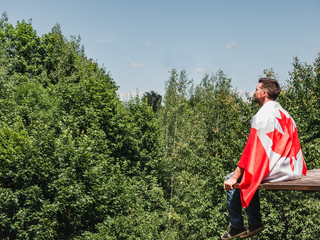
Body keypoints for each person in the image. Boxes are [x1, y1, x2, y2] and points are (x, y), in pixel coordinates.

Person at [221, 78, 307, 239]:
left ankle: (239, 226)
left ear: (264, 93)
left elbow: (251, 151)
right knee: (248, 175)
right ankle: (253, 223)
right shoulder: (285, 114)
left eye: (256, 89)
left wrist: (234, 176)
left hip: (280, 169)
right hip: (292, 167)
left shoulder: (262, 116)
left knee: (237, 179)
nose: (254, 92)